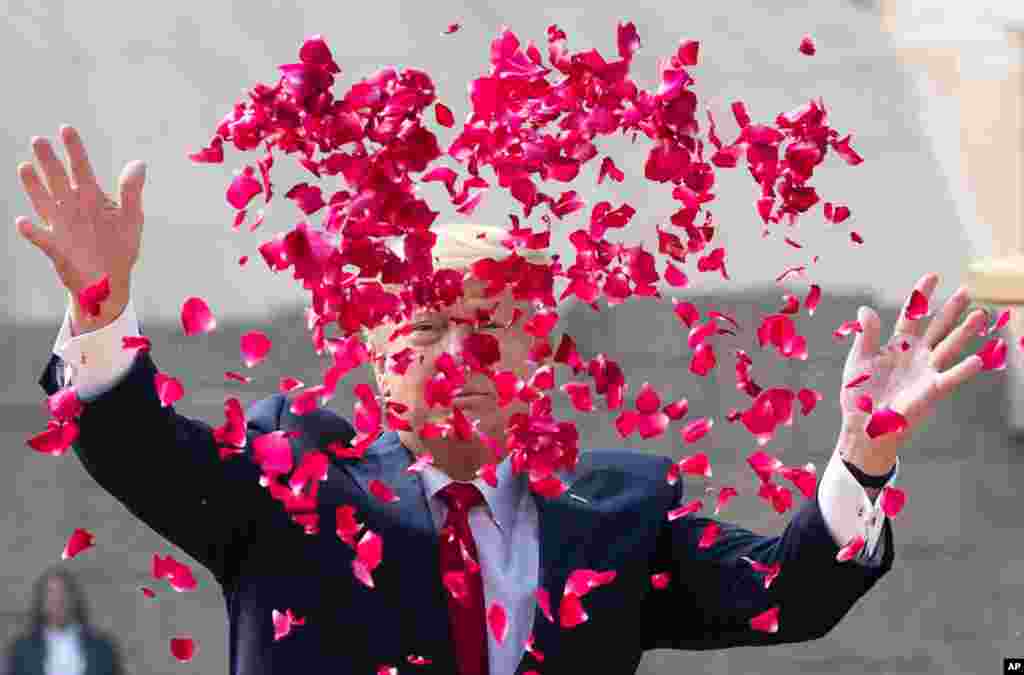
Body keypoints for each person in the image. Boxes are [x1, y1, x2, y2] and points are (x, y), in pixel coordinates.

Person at [15, 125, 988, 674]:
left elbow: (791, 597)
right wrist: (97, 306)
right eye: (431, 326)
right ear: (375, 355)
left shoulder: (622, 516)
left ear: (548, 354)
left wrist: (865, 454)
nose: (463, 352)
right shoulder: (290, 486)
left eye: (495, 325)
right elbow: (137, 447)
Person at [4, 566, 125, 675]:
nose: (57, 600)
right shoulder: (22, 650)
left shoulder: (101, 648)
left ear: (74, 599)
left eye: (63, 592)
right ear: (41, 601)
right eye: (51, 593)